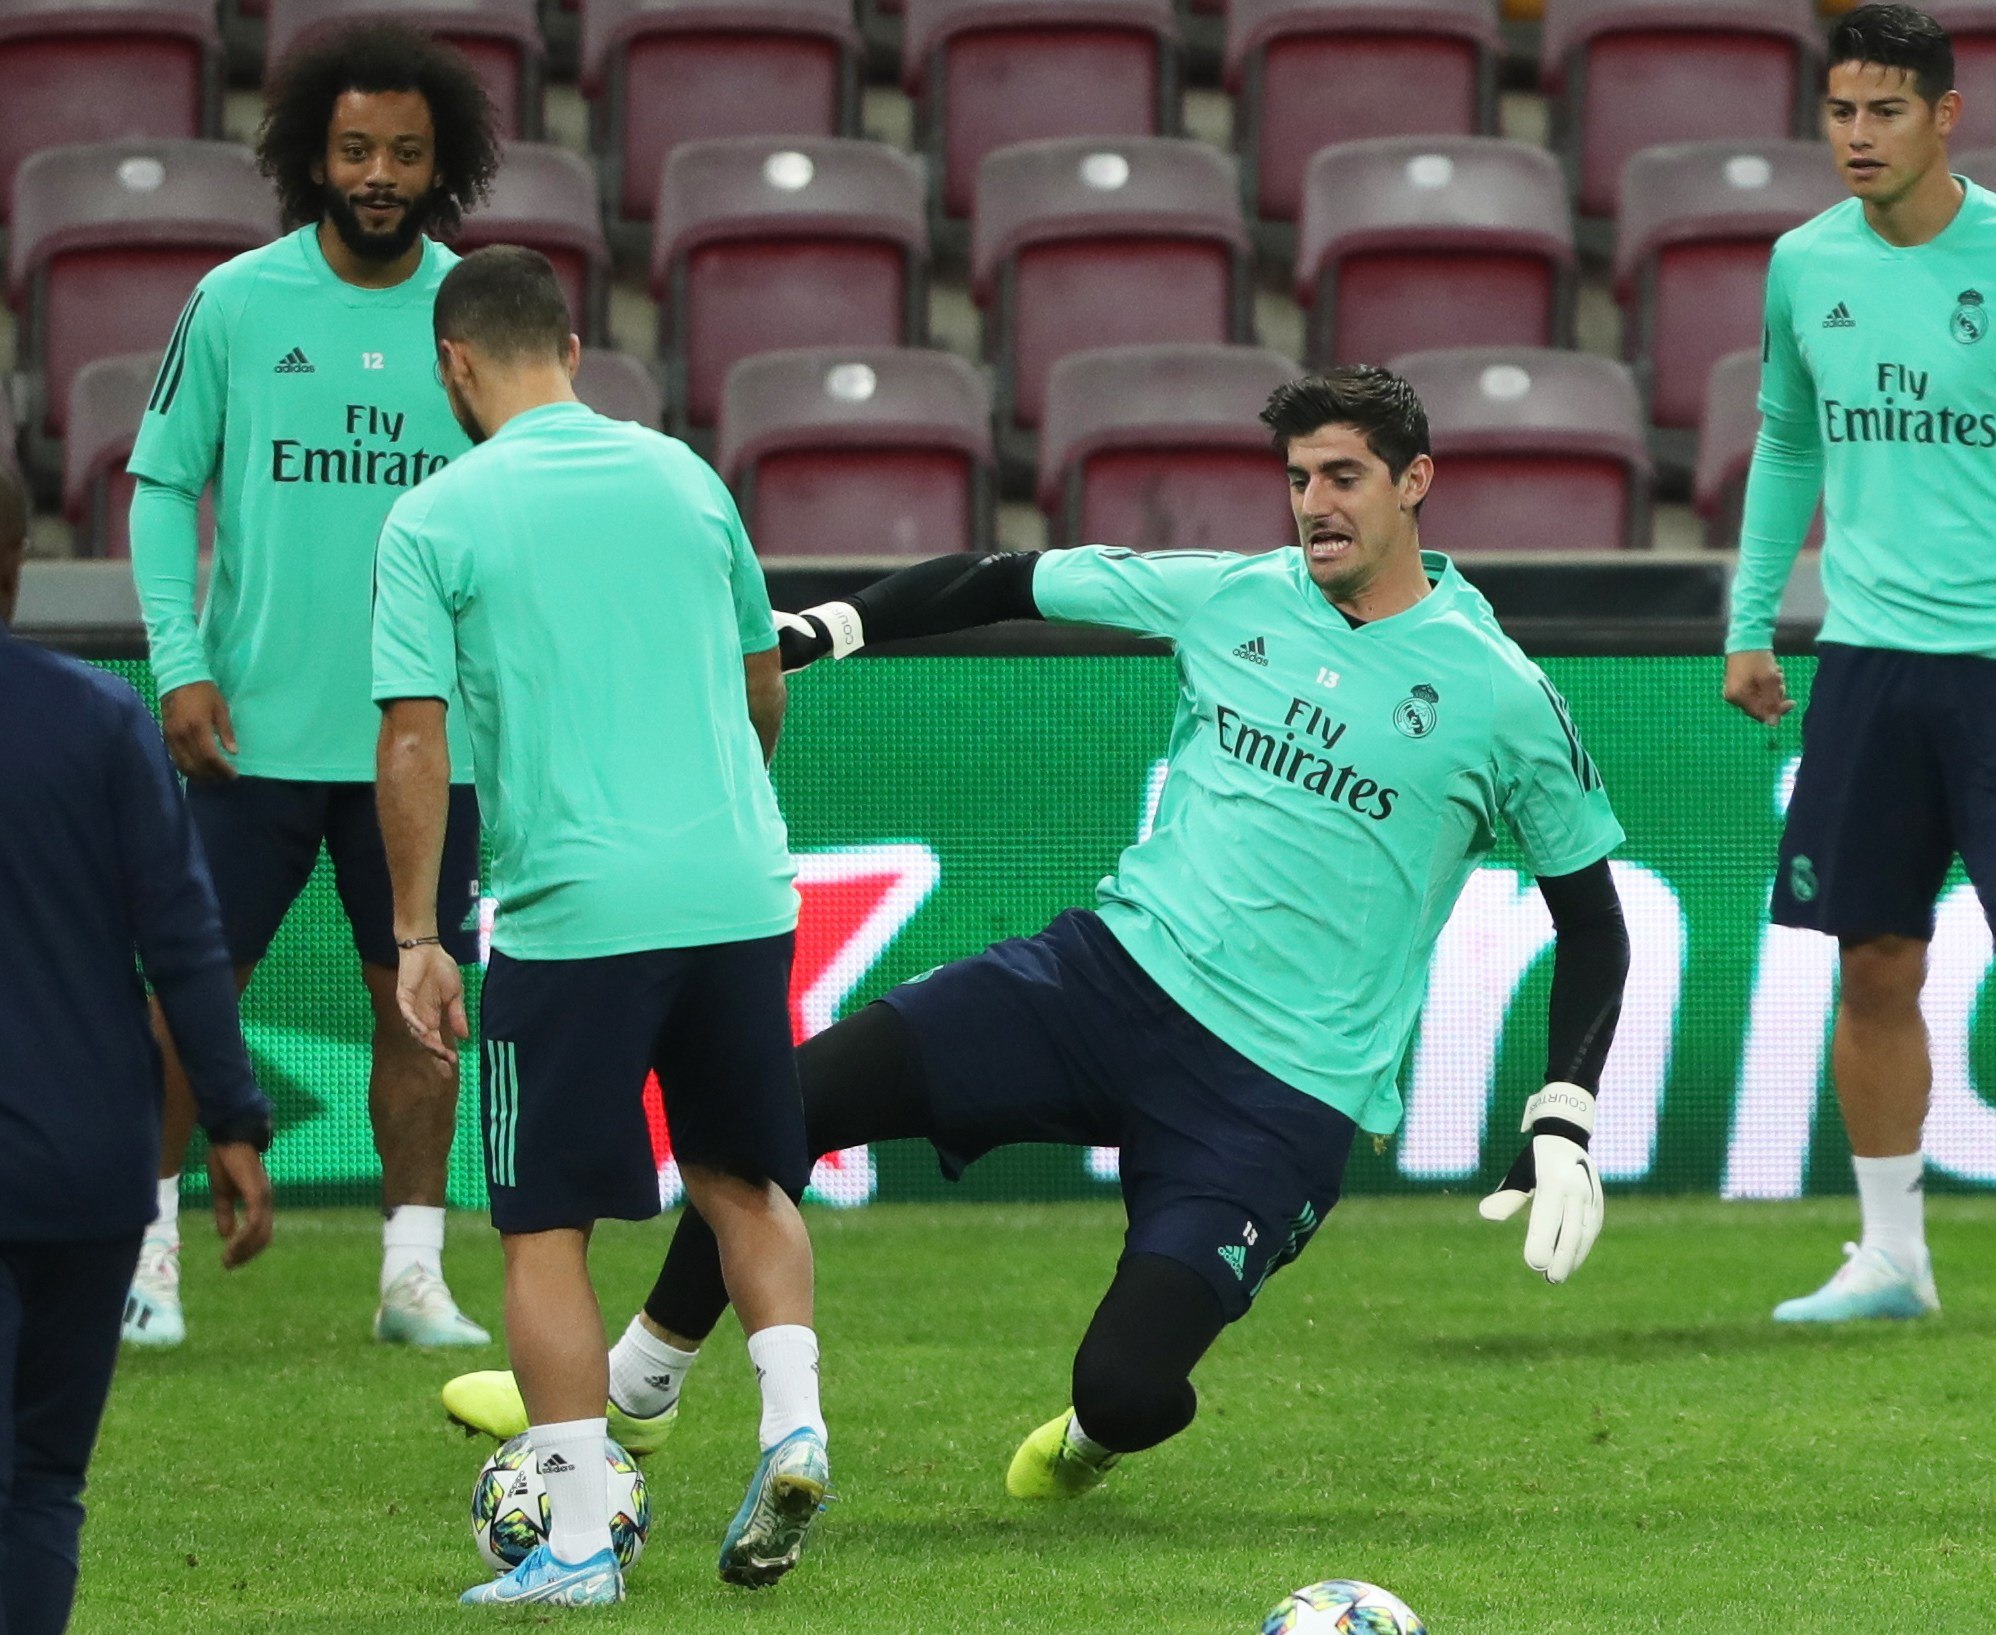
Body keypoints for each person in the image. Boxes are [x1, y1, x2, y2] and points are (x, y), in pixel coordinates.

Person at [444, 364, 1631, 1503]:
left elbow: (1591, 924)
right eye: (1297, 479)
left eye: (1343, 477)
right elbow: (1007, 578)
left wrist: (1563, 1112)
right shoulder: (1233, 593)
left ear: (1415, 482)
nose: (1314, 506)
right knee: (784, 1102)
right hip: (1104, 984)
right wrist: (828, 629)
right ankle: (639, 1387)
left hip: (1280, 1092)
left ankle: (1090, 1442)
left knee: (1126, 1388)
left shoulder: (1500, 695)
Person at [372, 247, 826, 1607]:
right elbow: (761, 683)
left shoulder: (436, 516)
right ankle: (792, 1420)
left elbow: (410, 735)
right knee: (743, 1174)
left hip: (577, 910)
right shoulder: (689, 476)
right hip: (741, 886)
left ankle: (575, 1542)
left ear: (454, 364)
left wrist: (417, 930)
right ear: (571, 343)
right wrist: (729, 821)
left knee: (543, 1224)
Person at [1721, 4, 1996, 1327]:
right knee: (1873, 959)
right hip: (1864, 662)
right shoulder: (1800, 263)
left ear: (1942, 115)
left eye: (1883, 111)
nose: (1855, 135)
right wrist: (1748, 621)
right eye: (1839, 110)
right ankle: (1890, 1253)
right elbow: (1787, 444)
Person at [124, 22, 504, 1350]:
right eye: (356, 148)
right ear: (311, 157)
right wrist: (180, 661)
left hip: (424, 741)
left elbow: (522, 503)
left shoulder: (475, 310)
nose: (381, 171)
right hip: (253, 736)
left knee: (420, 998)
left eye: (406, 149)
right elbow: (164, 483)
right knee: (188, 993)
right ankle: (147, 1254)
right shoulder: (237, 302)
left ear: (442, 160)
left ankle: (413, 1276)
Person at [0, 470, 276, 1635]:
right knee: (44, 1480)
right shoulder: (105, 722)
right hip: (86, 1168)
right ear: (19, 556)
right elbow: (183, 942)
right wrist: (233, 1123)